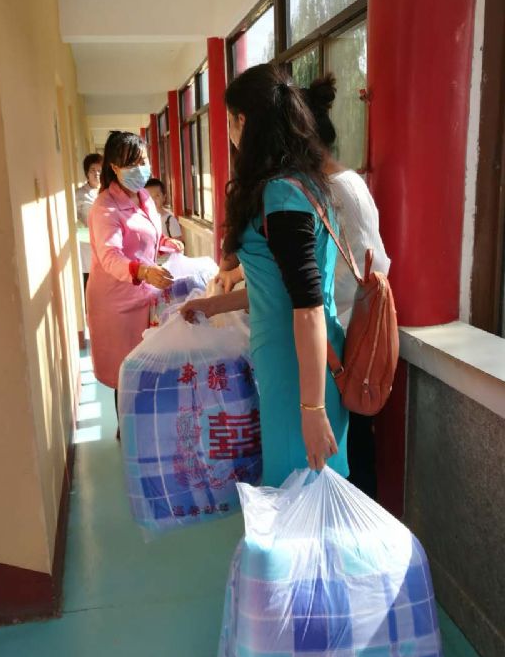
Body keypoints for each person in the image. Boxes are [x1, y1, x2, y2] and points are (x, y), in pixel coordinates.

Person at [182, 64, 348, 486]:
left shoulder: (281, 194)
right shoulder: (303, 183)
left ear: (243, 121)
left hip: (299, 372)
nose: (229, 132)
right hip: (300, 364)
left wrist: (312, 410)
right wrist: (215, 305)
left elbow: (308, 306)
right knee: (303, 493)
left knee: (299, 490)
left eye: (229, 120)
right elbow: (280, 290)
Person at [302, 74, 390, 499]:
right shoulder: (350, 181)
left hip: (346, 343)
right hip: (363, 337)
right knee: (360, 448)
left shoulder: (329, 192)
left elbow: (328, 277)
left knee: (347, 454)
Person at [87, 131, 183, 436]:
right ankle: (128, 434)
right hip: (116, 303)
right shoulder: (105, 208)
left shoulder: (143, 198)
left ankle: (146, 428)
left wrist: (166, 243)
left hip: (145, 294)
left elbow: (147, 237)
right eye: (133, 163)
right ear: (115, 167)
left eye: (143, 161)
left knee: (147, 365)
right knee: (126, 370)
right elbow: (110, 256)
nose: (141, 169)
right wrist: (143, 271)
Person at [76, 153, 103, 292]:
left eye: (99, 170)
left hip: (107, 244)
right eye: (93, 170)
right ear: (87, 173)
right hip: (88, 246)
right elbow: (74, 221)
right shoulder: (79, 194)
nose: (97, 173)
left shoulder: (109, 192)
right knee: (90, 285)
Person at [145, 178, 184, 242]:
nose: (153, 200)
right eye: (149, 196)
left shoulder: (169, 220)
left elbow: (178, 244)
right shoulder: (142, 218)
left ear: (164, 197)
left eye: (157, 196)